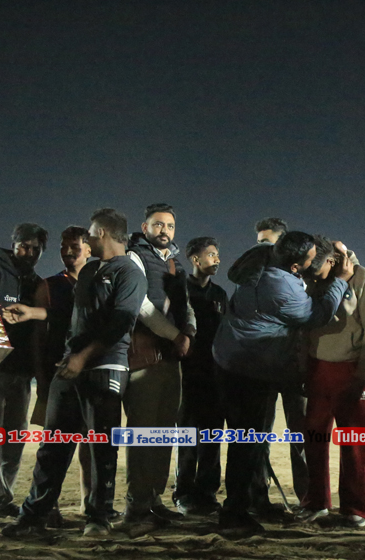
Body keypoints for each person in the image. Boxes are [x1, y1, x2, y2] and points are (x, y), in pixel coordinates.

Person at [3, 208, 147, 538]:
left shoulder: (129, 272)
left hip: (105, 367)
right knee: (53, 444)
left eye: (91, 234)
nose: (87, 240)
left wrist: (83, 357)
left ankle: (98, 518)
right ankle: (32, 518)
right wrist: (33, 313)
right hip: (70, 367)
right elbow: (72, 313)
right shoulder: (91, 270)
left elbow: (122, 323)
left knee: (100, 448)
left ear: (104, 234)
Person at [213, 231, 354, 536]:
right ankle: (234, 513)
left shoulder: (259, 258)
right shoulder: (283, 289)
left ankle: (254, 501)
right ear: (295, 266)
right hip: (251, 367)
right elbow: (317, 315)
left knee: (247, 438)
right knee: (247, 442)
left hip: (227, 358)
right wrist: (341, 281)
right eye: (311, 258)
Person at [4, 226, 93, 528]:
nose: (68, 252)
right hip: (58, 375)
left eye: (74, 246)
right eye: (64, 247)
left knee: (91, 444)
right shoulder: (50, 285)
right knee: (54, 445)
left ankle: (89, 503)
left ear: (89, 248)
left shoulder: (100, 281)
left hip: (91, 373)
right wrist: (42, 379)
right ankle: (47, 508)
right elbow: (38, 338)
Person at [0, 222, 48, 528]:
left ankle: (3, 499)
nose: (28, 253)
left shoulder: (37, 282)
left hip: (21, 371)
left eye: (35, 248)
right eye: (23, 246)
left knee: (14, 440)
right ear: (13, 245)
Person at [228, 217, 310, 504]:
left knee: (300, 434)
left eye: (268, 243)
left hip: (293, 365)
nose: (262, 248)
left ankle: (307, 498)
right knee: (258, 433)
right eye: (259, 242)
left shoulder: (302, 275)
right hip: (262, 365)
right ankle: (257, 494)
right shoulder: (250, 278)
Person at [298, 237, 365, 528]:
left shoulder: (363, 278)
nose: (311, 274)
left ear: (331, 261)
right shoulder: (312, 279)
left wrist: (361, 374)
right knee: (314, 441)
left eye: (315, 268)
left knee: (353, 443)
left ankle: (355, 509)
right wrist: (305, 369)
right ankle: (316, 502)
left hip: (351, 369)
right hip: (318, 368)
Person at [123, 203, 195, 528]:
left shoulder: (174, 264)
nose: (165, 231)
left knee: (165, 432)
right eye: (158, 225)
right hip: (145, 356)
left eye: (170, 226)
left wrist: (188, 332)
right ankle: (137, 505)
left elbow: (185, 305)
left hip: (170, 358)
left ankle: (155, 499)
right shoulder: (134, 257)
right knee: (143, 433)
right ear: (145, 227)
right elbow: (140, 305)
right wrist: (175, 335)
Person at [173, 236, 229, 516]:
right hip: (186, 374)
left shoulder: (220, 295)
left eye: (217, 255)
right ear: (195, 260)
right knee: (187, 435)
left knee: (212, 436)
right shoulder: (180, 291)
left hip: (215, 374)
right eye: (211, 255)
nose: (216, 260)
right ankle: (183, 493)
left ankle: (207, 493)